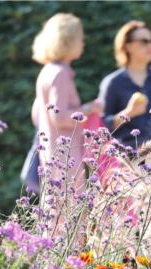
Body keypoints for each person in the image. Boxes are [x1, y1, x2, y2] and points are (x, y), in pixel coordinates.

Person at [30, 13, 101, 195]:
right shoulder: (60, 73)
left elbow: (36, 115)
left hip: (51, 153)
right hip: (65, 156)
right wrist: (89, 108)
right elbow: (60, 117)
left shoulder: (47, 71)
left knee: (54, 212)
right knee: (68, 215)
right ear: (68, 40)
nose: (83, 43)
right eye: (80, 38)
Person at [98, 20, 151, 149]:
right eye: (144, 41)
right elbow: (102, 126)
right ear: (127, 46)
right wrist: (129, 113)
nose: (150, 45)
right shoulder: (113, 82)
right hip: (127, 158)